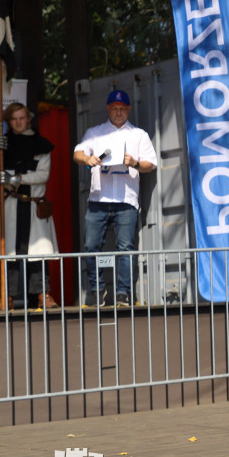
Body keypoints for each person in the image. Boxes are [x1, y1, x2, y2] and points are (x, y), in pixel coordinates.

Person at [72, 90, 156, 307]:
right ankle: (97, 291)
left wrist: (135, 163)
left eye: (122, 108)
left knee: (126, 247)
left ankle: (123, 294)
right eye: (115, 108)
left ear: (128, 109)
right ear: (108, 109)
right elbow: (77, 153)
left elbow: (151, 164)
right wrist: (88, 159)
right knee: (91, 245)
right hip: (98, 197)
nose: (119, 112)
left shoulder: (139, 134)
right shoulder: (95, 132)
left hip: (126, 198)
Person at [0, 102, 59, 310]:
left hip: (33, 205)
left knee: (38, 252)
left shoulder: (42, 145)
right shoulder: (3, 144)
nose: (18, 122)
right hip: (11, 205)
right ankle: (6, 297)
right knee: (9, 252)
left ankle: (43, 295)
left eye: (22, 118)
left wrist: (15, 178)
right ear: (9, 122)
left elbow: (43, 175)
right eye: (14, 119)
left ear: (28, 118)